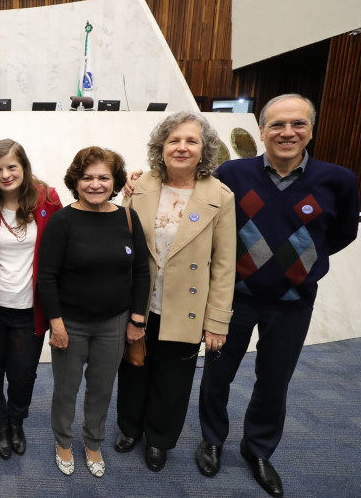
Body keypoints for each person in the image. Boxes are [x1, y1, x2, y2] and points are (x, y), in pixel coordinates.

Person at [193, 94, 359, 497]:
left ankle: (259, 449)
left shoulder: (338, 180)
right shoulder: (233, 173)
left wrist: (298, 262)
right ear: (262, 130)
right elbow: (196, 203)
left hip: (292, 302)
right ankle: (212, 440)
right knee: (218, 375)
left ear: (311, 131)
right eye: (278, 125)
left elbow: (341, 234)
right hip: (233, 298)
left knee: (274, 381)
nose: (288, 132)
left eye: (298, 124)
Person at [113, 112, 236, 472]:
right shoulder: (140, 185)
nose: (182, 147)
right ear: (161, 147)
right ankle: (129, 427)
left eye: (191, 141)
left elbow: (225, 265)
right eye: (174, 140)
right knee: (134, 367)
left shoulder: (220, 196)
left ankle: (159, 440)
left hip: (187, 307)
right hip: (139, 303)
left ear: (204, 150)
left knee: (173, 379)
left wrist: (217, 322)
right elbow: (123, 243)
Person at [38, 146, 150, 478]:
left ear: (115, 181)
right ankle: (63, 441)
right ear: (76, 181)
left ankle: (93, 442)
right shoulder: (62, 221)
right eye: (87, 177)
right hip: (70, 323)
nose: (95, 184)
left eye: (104, 177)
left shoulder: (127, 217)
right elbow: (47, 276)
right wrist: (56, 323)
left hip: (115, 323)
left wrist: (137, 320)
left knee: (102, 389)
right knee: (66, 389)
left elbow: (142, 271)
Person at [0, 139, 63, 460]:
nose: (6, 175)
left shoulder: (47, 200)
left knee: (24, 373)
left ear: (24, 166)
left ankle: (16, 421)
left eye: (12, 167)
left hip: (30, 310)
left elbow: (59, 254)